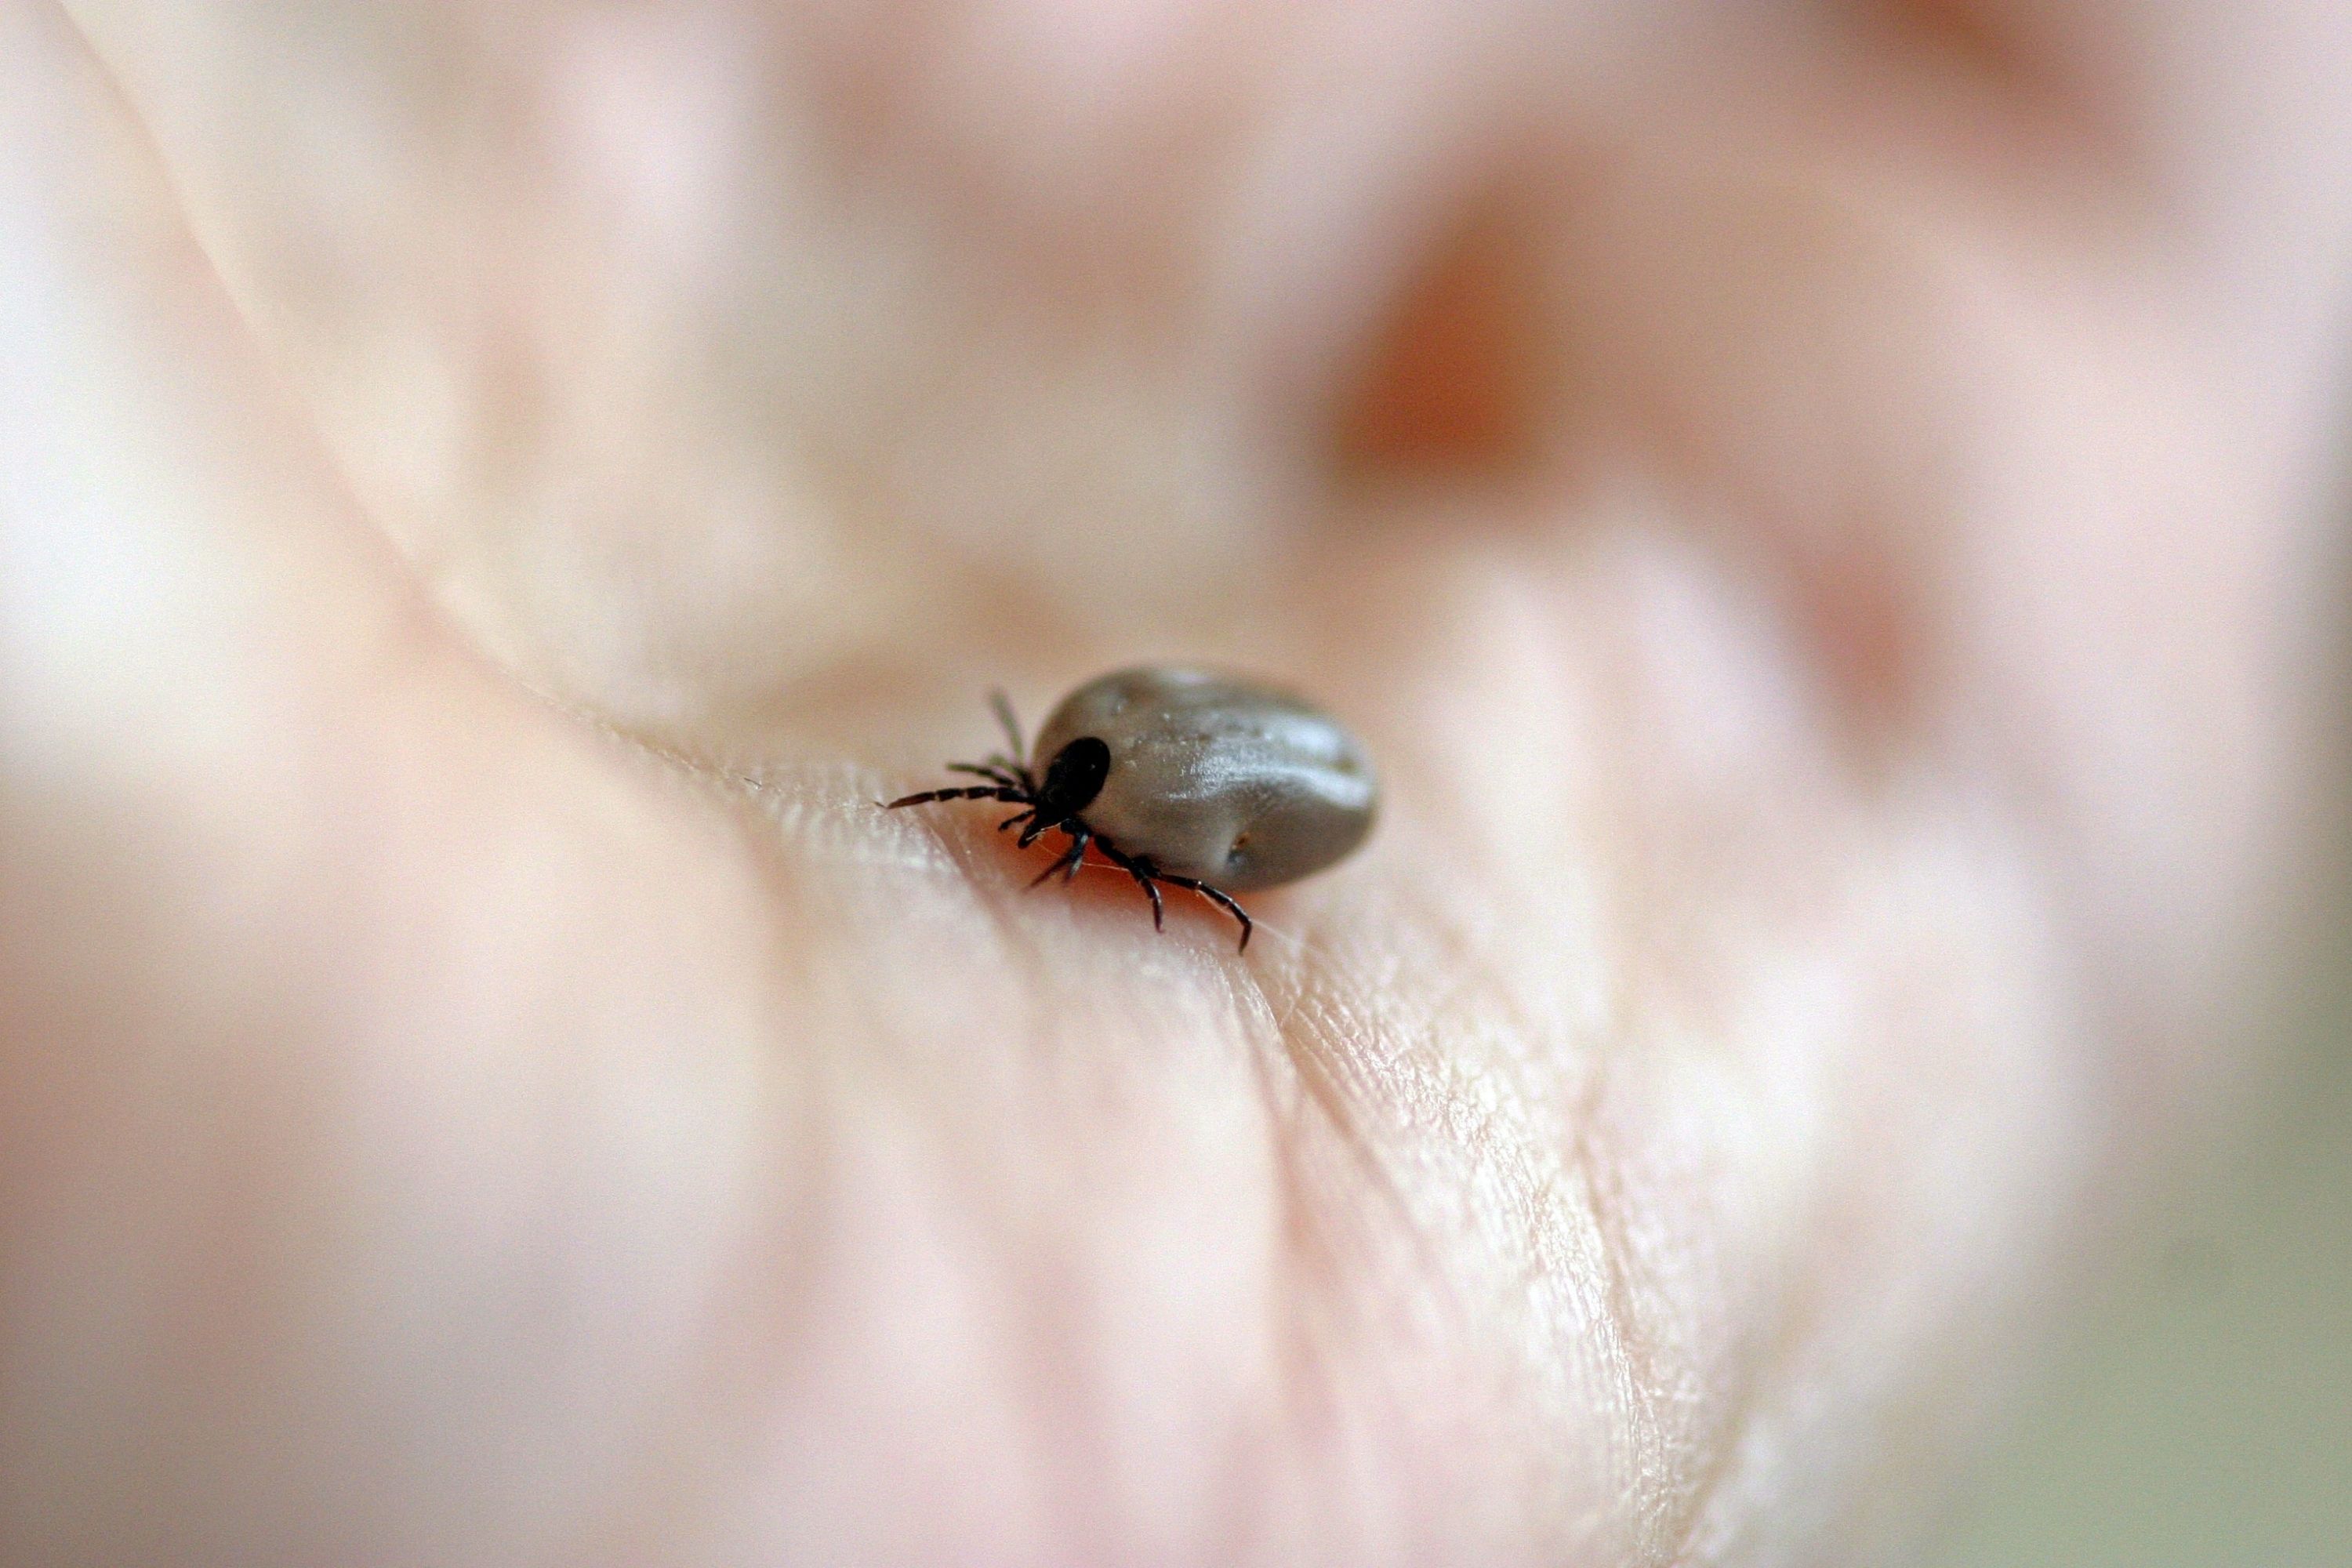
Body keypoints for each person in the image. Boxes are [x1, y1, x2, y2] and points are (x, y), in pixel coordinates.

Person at [3, 1, 2347, 1560]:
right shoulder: (1106, 788)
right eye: (1047, 821)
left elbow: (1186, 817)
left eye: (1046, 824)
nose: (1036, 842)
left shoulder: (1117, 783)